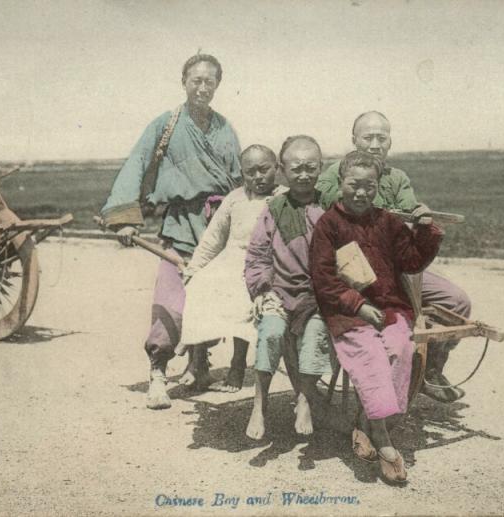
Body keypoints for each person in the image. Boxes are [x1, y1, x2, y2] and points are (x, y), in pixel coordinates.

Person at [100, 54, 241, 410]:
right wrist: (125, 219)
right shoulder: (165, 124)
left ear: (218, 85)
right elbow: (136, 165)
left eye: (210, 81)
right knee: (172, 301)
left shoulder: (226, 129)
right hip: (180, 225)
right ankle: (158, 373)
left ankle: (199, 363)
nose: (203, 87)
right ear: (184, 82)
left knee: (212, 296)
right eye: (196, 80)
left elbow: (240, 182)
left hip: (217, 225)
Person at [314, 111, 471, 403]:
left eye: (381, 138)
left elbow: (408, 216)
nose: (374, 144)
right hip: (352, 269)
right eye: (367, 137)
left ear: (389, 142)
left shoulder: (397, 178)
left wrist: (421, 219)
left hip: (393, 266)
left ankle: (429, 369)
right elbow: (332, 204)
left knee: (457, 301)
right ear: (353, 139)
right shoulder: (334, 173)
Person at [309, 150, 443, 483]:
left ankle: (367, 422)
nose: (361, 193)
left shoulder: (387, 221)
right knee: (369, 355)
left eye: (369, 185)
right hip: (346, 312)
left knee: (401, 349)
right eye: (354, 184)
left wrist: (425, 230)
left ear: (378, 186)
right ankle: (383, 439)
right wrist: (357, 304)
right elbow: (324, 278)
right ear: (341, 183)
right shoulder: (329, 225)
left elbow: (411, 261)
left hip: (390, 308)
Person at [178, 145, 286, 392]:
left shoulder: (284, 197)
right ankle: (196, 357)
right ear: (242, 174)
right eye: (250, 172)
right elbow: (213, 238)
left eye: (264, 170)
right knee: (198, 286)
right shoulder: (236, 197)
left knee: (242, 297)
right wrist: (194, 269)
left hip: (264, 263)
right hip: (230, 259)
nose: (258, 177)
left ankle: (237, 365)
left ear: (277, 168)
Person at [244, 135, 332, 439]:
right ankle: (259, 405)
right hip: (279, 293)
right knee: (270, 334)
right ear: (282, 170)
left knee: (314, 337)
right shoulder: (274, 208)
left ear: (321, 167)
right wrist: (263, 289)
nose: (304, 175)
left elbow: (348, 253)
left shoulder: (330, 207)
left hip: (319, 296)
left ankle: (305, 398)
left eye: (311, 167)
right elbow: (257, 255)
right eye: (296, 168)